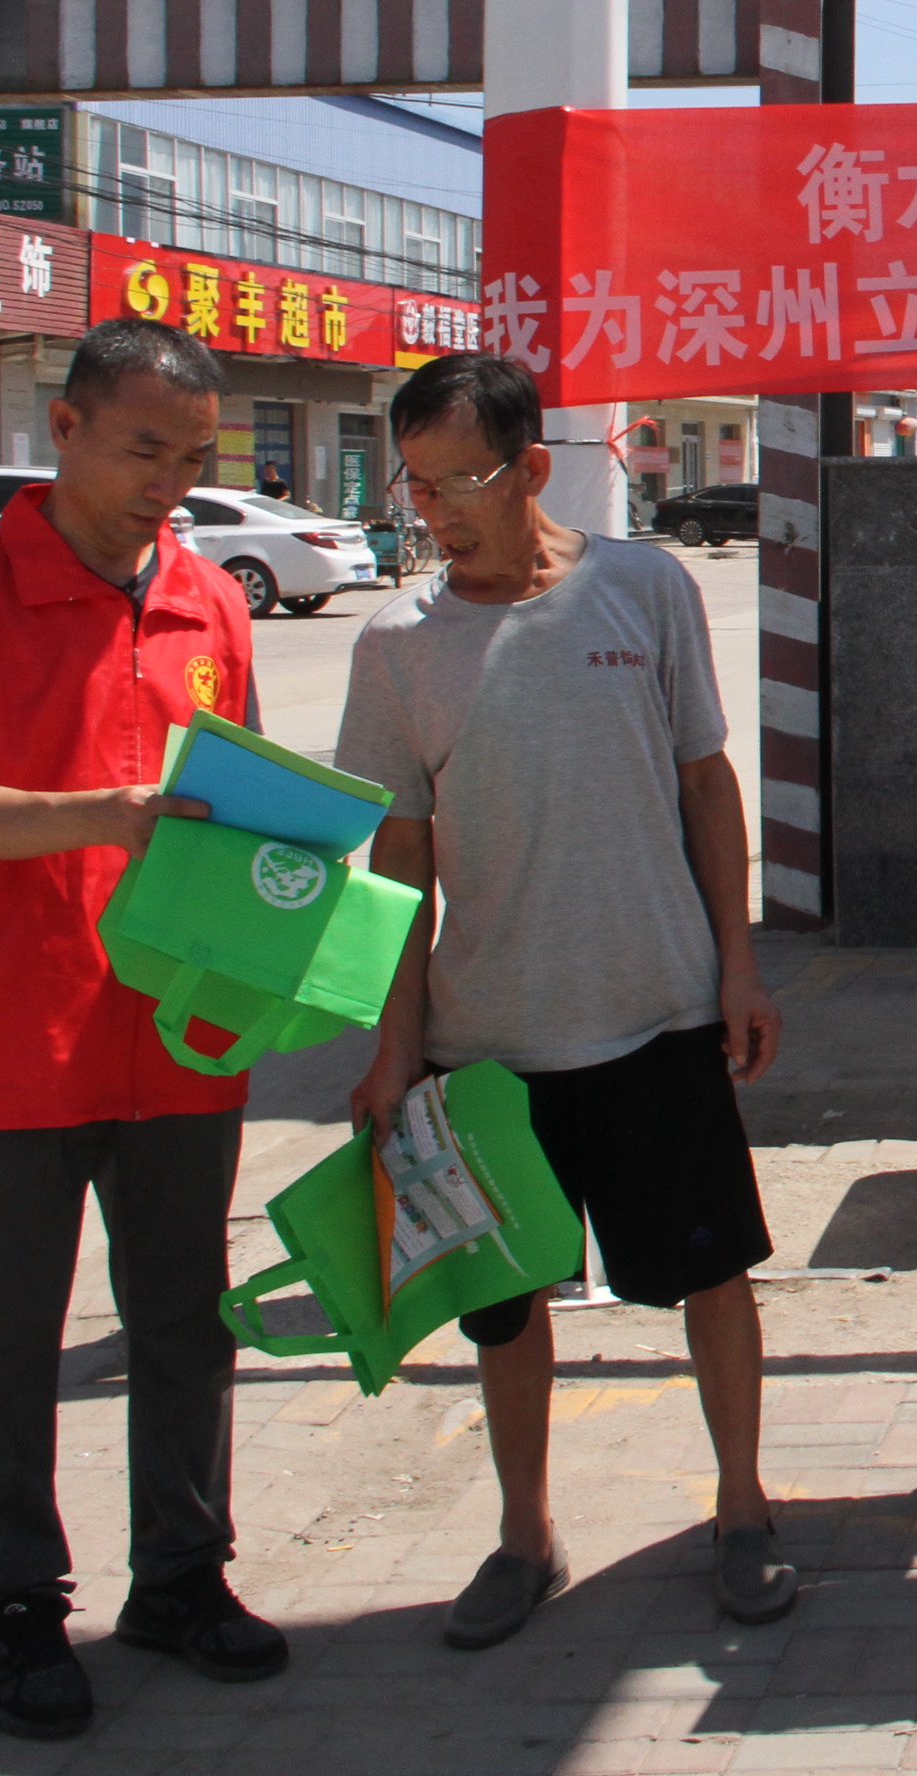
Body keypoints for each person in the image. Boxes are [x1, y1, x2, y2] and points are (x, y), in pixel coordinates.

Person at [333, 354, 793, 1647]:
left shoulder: (643, 587)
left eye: (460, 480)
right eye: (416, 486)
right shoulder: (396, 646)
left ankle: (745, 1506)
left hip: (659, 1013)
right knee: (506, 1305)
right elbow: (401, 866)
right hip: (488, 1041)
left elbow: (709, 784)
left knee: (713, 1275)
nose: (435, 512)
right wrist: (393, 1046)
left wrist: (737, 966)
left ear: (534, 468)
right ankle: (524, 1536)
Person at [0, 317, 285, 1740]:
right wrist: (115, 815)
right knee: (4, 1336)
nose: (170, 481)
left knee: (189, 1322)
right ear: (61, 431)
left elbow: (250, 799)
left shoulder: (212, 603)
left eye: (192, 455)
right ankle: (15, 1605)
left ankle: (183, 1576)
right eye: (141, 448)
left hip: (176, 1028)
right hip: (6, 1029)